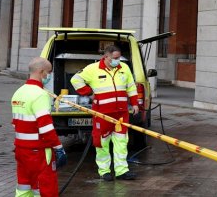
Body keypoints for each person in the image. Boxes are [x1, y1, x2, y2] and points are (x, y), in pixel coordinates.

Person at [71, 44, 139, 181]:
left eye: (119, 57)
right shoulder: (92, 69)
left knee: (121, 142)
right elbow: (75, 79)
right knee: (102, 143)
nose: (118, 60)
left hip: (121, 114)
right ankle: (104, 171)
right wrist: (89, 93)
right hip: (102, 114)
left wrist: (135, 103)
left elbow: (131, 87)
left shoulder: (124, 68)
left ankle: (121, 171)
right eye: (115, 58)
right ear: (106, 57)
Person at [12, 57, 67, 197]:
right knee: (45, 187)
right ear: (42, 72)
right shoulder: (40, 95)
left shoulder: (18, 92)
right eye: (48, 72)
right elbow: (46, 128)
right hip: (39, 151)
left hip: (21, 149)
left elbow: (15, 123)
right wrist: (59, 148)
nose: (49, 76)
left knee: (24, 185)